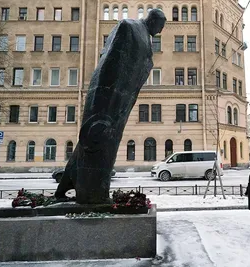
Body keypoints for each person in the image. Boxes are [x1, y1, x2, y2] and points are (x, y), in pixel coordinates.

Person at [55, 9, 167, 204]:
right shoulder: (128, 27)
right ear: (154, 20)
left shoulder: (145, 38)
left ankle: (68, 181)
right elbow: (108, 62)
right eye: (161, 26)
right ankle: (92, 194)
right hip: (107, 99)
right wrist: (101, 101)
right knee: (98, 143)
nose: (161, 31)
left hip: (122, 101)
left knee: (95, 143)